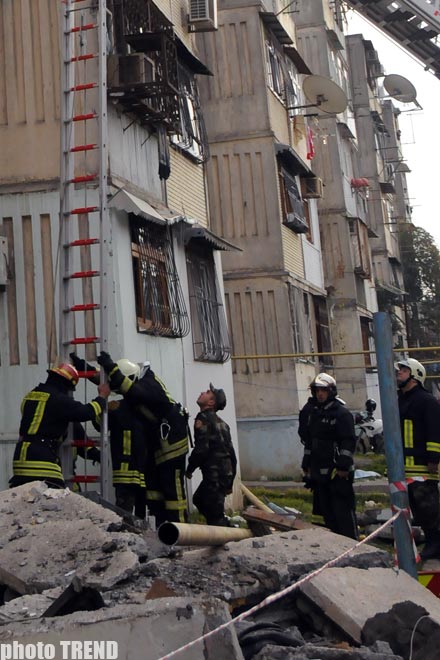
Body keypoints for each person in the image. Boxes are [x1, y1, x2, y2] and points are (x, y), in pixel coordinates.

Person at [96, 350, 189, 526]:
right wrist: (83, 368)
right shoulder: (140, 382)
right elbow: (114, 385)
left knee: (173, 491)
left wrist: (109, 365)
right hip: (158, 445)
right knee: (154, 491)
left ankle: (181, 531)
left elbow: (129, 388)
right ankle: (162, 529)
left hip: (172, 445)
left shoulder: (149, 385)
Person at [70, 353, 148, 517]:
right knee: (141, 513)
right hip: (143, 468)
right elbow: (108, 380)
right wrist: (83, 365)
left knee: (125, 513)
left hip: (125, 471)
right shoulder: (143, 402)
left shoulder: (117, 408)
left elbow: (99, 425)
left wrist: (101, 401)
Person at [10, 363, 110, 489]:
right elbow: (86, 413)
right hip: (41, 462)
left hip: (19, 460)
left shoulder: (30, 395)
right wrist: (102, 397)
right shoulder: (58, 400)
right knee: (56, 499)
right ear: (66, 384)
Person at [299, 373, 358, 539]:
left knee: (343, 515)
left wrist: (343, 466)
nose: (320, 394)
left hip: (337, 473)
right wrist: (307, 465)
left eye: (323, 390)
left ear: (331, 390)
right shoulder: (315, 414)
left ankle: (352, 549)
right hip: (319, 473)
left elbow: (348, 442)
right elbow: (310, 442)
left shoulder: (341, 414)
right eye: (317, 390)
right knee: (325, 515)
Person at [396, 358, 440, 560]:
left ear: (415, 375)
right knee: (416, 510)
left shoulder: (426, 400)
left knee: (428, 508)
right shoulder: (399, 400)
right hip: (404, 466)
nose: (399, 373)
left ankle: (435, 543)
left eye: (404, 370)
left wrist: (433, 458)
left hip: (423, 467)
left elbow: (434, 431)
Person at [185, 383, 237, 526]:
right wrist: (230, 481)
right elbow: (232, 455)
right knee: (199, 500)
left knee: (214, 513)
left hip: (214, 475)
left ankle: (226, 535)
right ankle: (222, 527)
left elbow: (201, 449)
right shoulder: (223, 424)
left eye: (207, 392)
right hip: (224, 473)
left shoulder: (203, 419)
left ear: (211, 402)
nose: (203, 392)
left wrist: (190, 469)